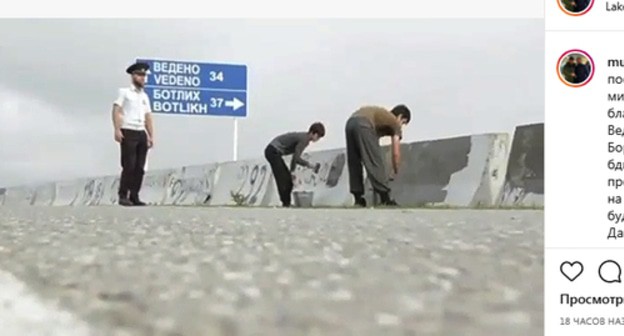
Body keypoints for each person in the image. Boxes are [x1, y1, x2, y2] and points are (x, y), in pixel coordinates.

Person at [345, 105, 411, 207]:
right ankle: (385, 198)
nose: (401, 126)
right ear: (400, 117)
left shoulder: (382, 117)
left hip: (350, 123)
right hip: (364, 124)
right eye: (403, 123)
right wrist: (396, 169)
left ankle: (358, 199)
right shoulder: (394, 122)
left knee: (354, 161)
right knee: (375, 161)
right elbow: (396, 152)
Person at [111, 61, 155, 206]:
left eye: (144, 75)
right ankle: (123, 195)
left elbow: (148, 116)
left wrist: (151, 135)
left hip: (141, 131)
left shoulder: (144, 97)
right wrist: (117, 129)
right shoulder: (124, 92)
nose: (142, 78)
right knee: (129, 165)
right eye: (140, 75)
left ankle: (135, 195)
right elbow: (116, 110)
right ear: (133, 76)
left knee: (140, 167)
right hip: (128, 130)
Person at [264, 123, 325, 207]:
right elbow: (297, 158)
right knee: (283, 179)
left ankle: (286, 203)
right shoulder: (305, 140)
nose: (317, 139)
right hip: (273, 151)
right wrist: (310, 165)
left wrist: (292, 171)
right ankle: (286, 203)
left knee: (287, 179)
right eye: (318, 137)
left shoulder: (303, 137)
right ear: (312, 133)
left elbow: (294, 158)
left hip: (273, 151)